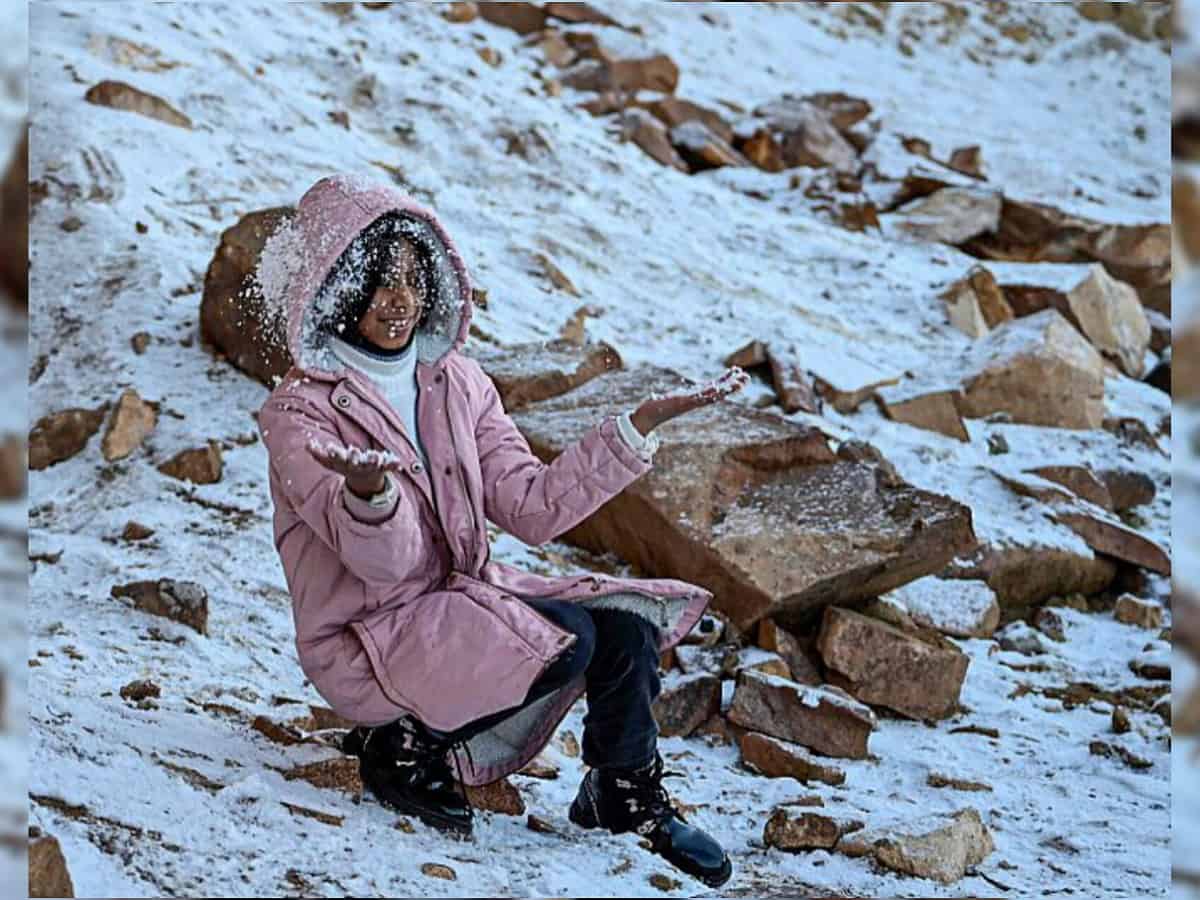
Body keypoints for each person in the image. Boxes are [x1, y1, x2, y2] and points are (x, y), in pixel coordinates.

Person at [256, 174, 748, 887]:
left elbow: (531, 505)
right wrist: (370, 493)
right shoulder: (298, 414)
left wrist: (635, 430)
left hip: (457, 608)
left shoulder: (459, 381)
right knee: (567, 637)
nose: (399, 301)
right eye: (376, 281)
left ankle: (623, 791)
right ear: (337, 287)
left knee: (624, 627)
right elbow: (386, 571)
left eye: (411, 280)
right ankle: (403, 747)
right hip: (366, 640)